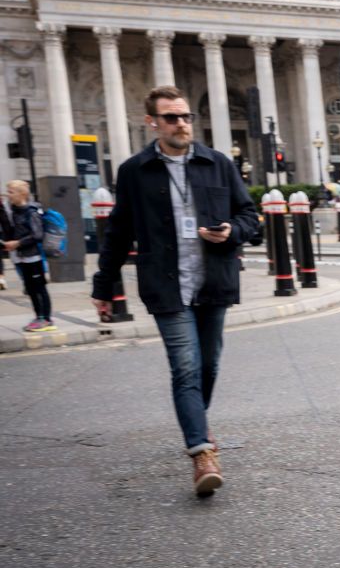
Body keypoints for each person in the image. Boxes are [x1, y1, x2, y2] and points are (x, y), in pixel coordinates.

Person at [92, 86, 258, 496]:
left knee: (209, 365)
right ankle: (202, 452)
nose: (181, 123)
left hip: (213, 281)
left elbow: (249, 216)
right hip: (166, 286)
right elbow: (117, 233)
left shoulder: (217, 163)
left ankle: (196, 423)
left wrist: (230, 232)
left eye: (185, 116)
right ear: (152, 122)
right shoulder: (134, 171)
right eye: (171, 117)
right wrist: (103, 285)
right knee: (185, 368)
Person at [3, 180, 57, 332]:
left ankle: (46, 319)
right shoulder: (14, 210)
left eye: (11, 192)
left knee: (40, 288)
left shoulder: (31, 212)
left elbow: (37, 235)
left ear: (22, 194)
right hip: (21, 257)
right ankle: (38, 316)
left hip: (33, 257)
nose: (8, 195)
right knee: (30, 289)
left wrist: (18, 243)